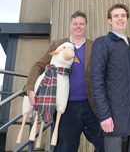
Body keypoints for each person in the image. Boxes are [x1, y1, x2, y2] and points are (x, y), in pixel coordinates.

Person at [23, 10, 105, 152]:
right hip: (66, 108)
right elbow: (39, 65)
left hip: (92, 106)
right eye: (75, 24)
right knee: (65, 147)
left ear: (86, 26)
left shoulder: (95, 46)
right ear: (70, 26)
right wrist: (30, 88)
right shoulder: (58, 45)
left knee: (105, 144)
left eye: (81, 24)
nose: (78, 26)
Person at [90, 3, 130, 152]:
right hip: (116, 121)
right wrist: (104, 115)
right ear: (109, 20)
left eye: (123, 16)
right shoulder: (102, 43)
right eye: (116, 16)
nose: (120, 19)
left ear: (127, 19)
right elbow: (96, 81)